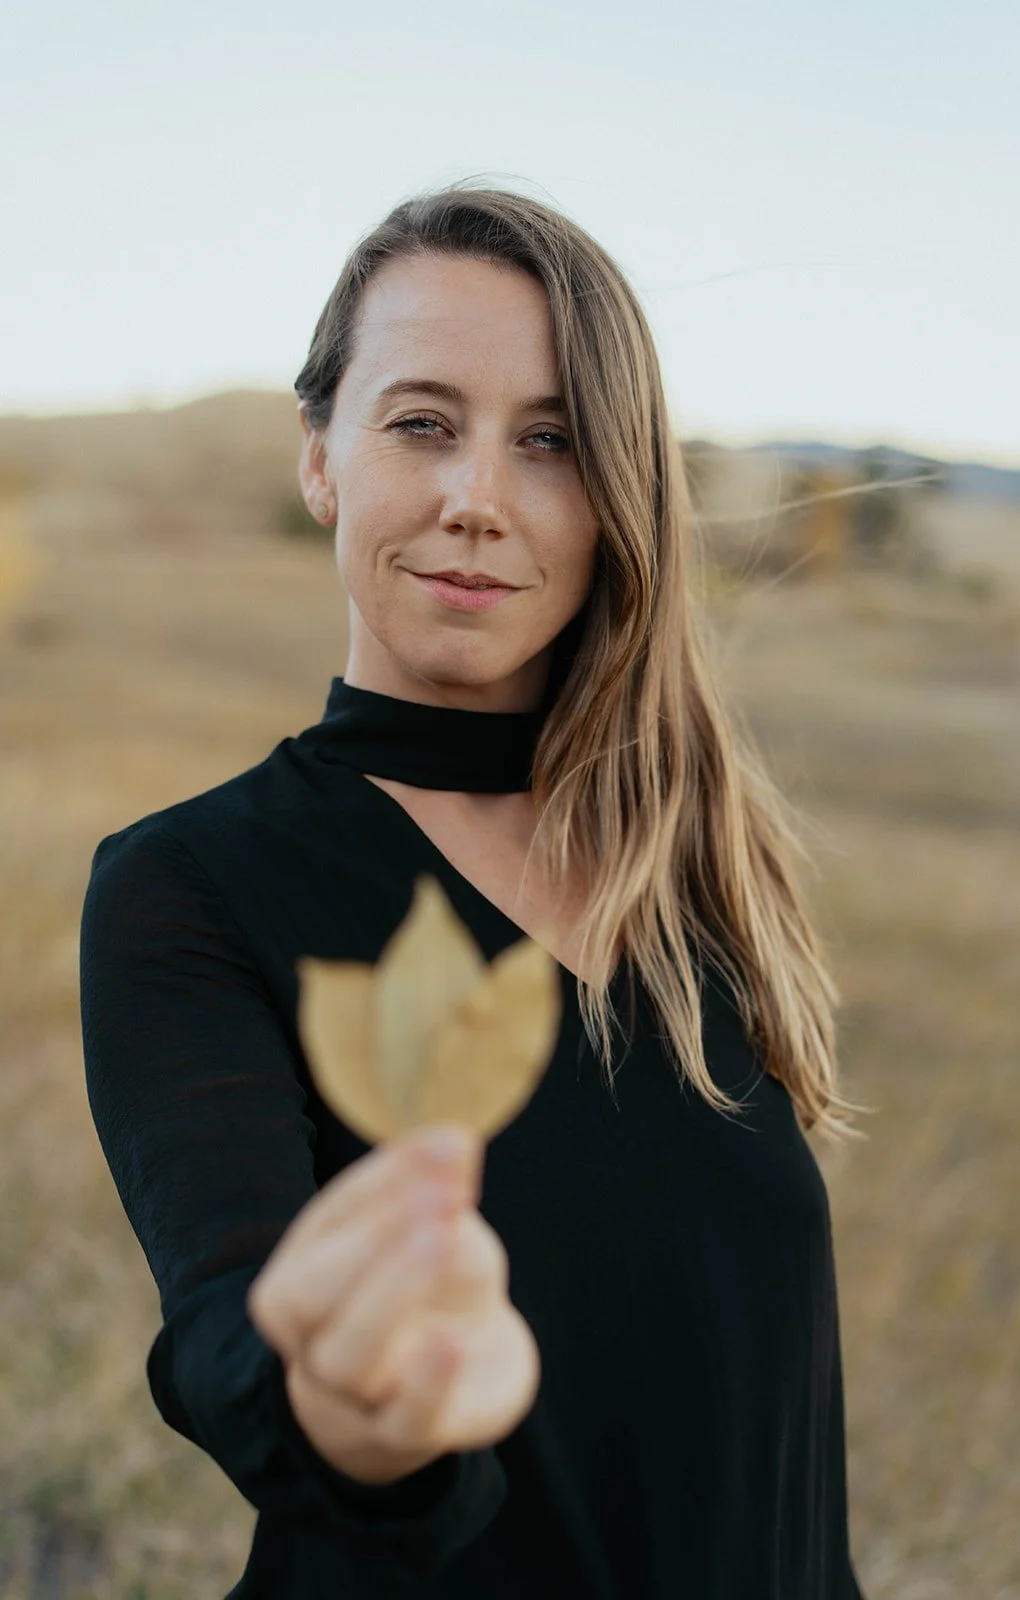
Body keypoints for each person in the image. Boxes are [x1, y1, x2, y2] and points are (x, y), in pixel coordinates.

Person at [79, 181, 869, 1598]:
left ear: (617, 491)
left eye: (550, 440)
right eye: (421, 423)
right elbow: (228, 1326)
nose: (476, 500)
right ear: (321, 458)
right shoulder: (191, 886)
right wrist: (351, 1409)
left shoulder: (681, 871)